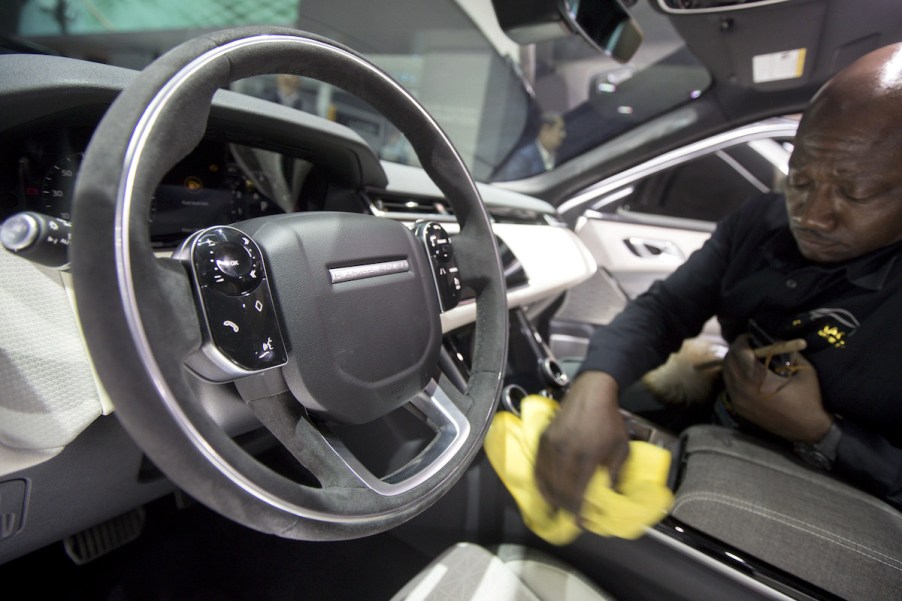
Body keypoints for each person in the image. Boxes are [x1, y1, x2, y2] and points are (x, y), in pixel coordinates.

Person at [535, 42, 902, 512]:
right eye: (802, 180)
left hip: (828, 501)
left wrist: (820, 431)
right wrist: (595, 383)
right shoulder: (759, 223)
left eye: (855, 193)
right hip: (715, 430)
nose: (812, 217)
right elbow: (666, 309)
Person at [494, 112, 566, 180]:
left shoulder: (558, 157)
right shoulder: (523, 158)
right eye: (560, 130)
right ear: (545, 129)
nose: (563, 135)